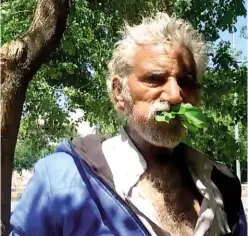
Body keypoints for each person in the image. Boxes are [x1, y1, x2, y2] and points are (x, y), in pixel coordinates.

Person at [10, 13, 246, 236]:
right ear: (119, 93)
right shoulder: (61, 180)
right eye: (155, 78)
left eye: (186, 81)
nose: (175, 95)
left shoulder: (223, 186)